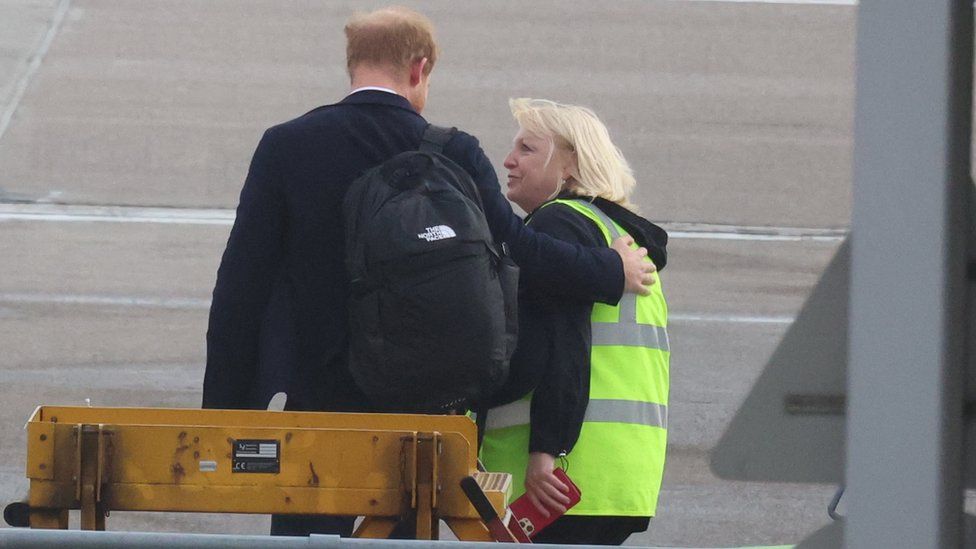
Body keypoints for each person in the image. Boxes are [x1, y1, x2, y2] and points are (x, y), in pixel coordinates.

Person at [201, 7, 656, 537]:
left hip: (319, 399)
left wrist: (227, 415)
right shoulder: (450, 150)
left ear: (352, 65)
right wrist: (609, 268)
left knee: (308, 535)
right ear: (419, 70)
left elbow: (240, 287)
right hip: (417, 399)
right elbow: (520, 248)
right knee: (402, 530)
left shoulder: (287, 144)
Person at [480, 98, 670, 546]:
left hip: (557, 477)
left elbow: (563, 343)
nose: (508, 160)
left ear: (569, 165)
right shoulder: (620, 238)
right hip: (622, 474)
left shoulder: (559, 227)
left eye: (527, 149)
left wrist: (547, 449)